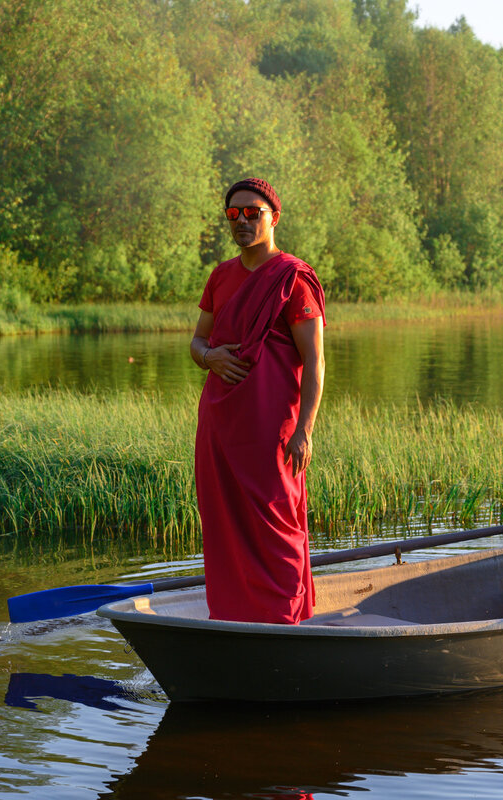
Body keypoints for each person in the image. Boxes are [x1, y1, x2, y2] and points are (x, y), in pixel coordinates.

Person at [190, 178, 325, 623]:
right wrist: (210, 357)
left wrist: (304, 430)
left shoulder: (292, 279)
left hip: (273, 431)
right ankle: (232, 621)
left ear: (274, 217)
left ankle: (284, 624)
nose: (242, 221)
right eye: (234, 214)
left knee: (277, 523)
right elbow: (196, 343)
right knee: (225, 524)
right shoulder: (221, 277)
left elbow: (315, 363)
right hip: (221, 425)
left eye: (253, 212)